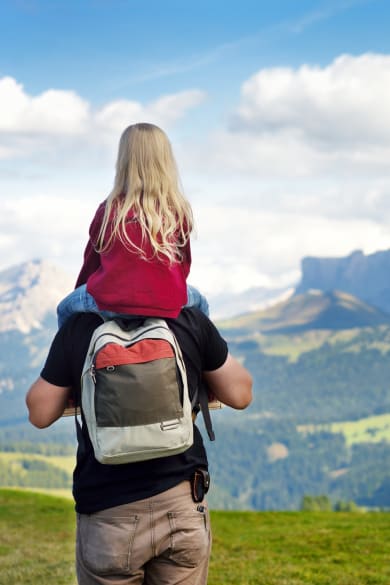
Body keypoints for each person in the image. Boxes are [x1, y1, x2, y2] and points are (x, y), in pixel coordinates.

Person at [26, 308, 252, 585]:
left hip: (108, 513)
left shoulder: (79, 327)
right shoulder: (188, 320)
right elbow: (241, 395)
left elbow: (39, 414)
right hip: (182, 504)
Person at [57, 122, 208, 328]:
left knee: (64, 309)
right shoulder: (177, 210)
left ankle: (69, 358)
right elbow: (184, 266)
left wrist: (83, 292)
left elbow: (90, 265)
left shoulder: (109, 210)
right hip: (166, 301)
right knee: (202, 303)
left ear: (124, 161)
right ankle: (207, 356)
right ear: (166, 161)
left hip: (112, 303)